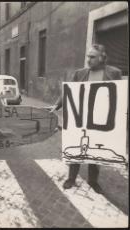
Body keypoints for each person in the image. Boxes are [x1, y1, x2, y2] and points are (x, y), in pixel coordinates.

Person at [49, 44, 122, 194]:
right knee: (76, 148)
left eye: (92, 57)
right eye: (88, 56)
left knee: (96, 152)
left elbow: (119, 97)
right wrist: (56, 106)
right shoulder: (79, 74)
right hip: (81, 119)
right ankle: (71, 178)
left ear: (102, 57)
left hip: (101, 120)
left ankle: (93, 180)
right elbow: (67, 93)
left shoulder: (114, 73)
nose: (88, 59)